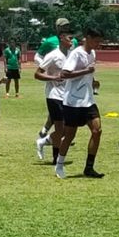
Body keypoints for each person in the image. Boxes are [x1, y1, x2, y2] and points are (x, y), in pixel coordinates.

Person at [54, 27, 105, 179]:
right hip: (73, 101)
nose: (98, 44)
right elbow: (64, 74)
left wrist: (93, 81)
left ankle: (89, 168)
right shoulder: (77, 53)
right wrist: (86, 72)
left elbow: (89, 72)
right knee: (70, 135)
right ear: (87, 38)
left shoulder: (92, 53)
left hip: (88, 100)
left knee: (97, 131)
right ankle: (59, 165)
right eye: (96, 41)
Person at [34, 18, 76, 139]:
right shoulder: (50, 41)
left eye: (67, 25)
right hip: (54, 84)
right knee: (57, 111)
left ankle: (49, 132)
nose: (65, 28)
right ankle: (56, 135)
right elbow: (38, 56)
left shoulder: (73, 41)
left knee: (64, 115)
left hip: (69, 86)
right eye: (62, 26)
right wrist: (48, 69)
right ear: (57, 28)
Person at [34, 31, 73, 164]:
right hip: (54, 95)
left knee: (67, 129)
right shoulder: (53, 55)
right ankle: (56, 158)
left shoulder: (71, 54)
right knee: (60, 129)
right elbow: (37, 74)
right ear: (61, 38)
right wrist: (54, 77)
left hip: (68, 95)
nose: (72, 41)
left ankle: (43, 141)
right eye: (69, 38)